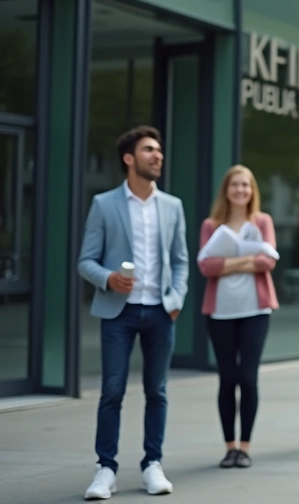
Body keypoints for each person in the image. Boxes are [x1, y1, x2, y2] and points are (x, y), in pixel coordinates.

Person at [77, 126, 188, 499]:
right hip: (118, 314)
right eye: (148, 150)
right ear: (129, 158)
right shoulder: (103, 204)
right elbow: (84, 261)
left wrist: (175, 301)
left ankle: (152, 464)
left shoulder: (172, 206)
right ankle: (104, 469)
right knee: (112, 391)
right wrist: (108, 278)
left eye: (159, 151)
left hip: (160, 311)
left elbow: (181, 261)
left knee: (157, 391)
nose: (157, 156)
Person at [196, 165, 279, 470]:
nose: (240, 190)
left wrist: (228, 261)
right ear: (227, 190)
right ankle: (229, 446)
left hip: (255, 310)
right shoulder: (211, 225)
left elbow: (268, 260)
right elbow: (206, 267)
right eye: (235, 185)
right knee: (227, 378)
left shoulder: (262, 221)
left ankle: (245, 447)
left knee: (248, 378)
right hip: (220, 312)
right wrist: (247, 259)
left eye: (245, 185)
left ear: (251, 190)